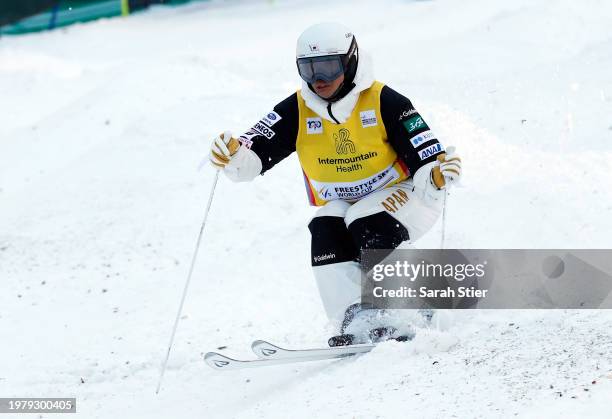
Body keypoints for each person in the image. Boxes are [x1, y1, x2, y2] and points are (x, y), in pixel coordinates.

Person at [208, 22, 462, 345]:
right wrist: (232, 154)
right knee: (325, 226)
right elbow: (254, 152)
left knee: (366, 217)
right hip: (355, 202)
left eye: (328, 67)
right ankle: (356, 317)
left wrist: (437, 174)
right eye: (309, 69)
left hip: (412, 196)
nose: (319, 80)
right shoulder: (298, 110)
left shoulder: (384, 100)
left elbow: (427, 157)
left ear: (350, 61)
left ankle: (413, 308)